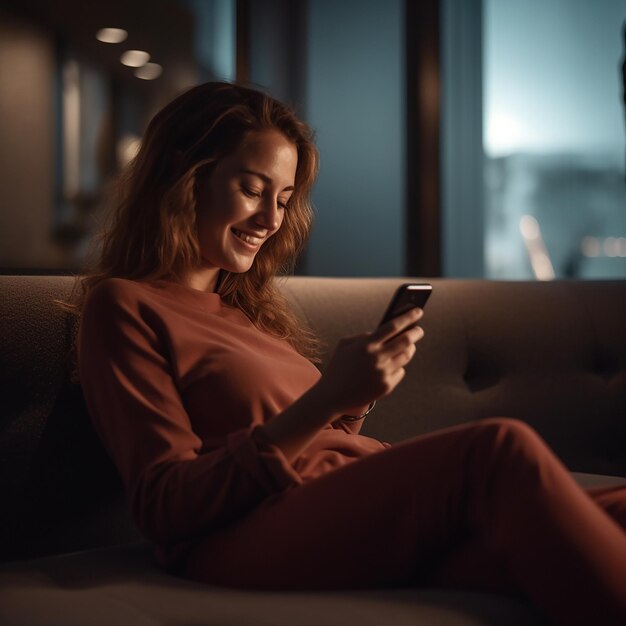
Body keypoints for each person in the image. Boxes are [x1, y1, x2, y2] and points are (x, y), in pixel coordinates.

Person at [76, 82, 626, 626]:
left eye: (284, 199)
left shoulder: (243, 313)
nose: (271, 220)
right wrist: (325, 399)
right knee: (497, 449)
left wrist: (353, 400)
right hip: (246, 534)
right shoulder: (124, 306)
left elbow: (317, 438)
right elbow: (164, 503)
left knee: (611, 508)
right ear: (186, 176)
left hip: (338, 506)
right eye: (251, 188)